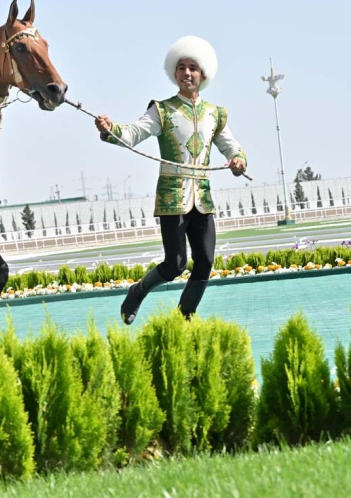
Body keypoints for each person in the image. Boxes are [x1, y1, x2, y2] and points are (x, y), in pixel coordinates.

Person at [94, 36, 247, 324]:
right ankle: (137, 292)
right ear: (174, 74)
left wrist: (238, 160)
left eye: (193, 68)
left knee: (205, 262)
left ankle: (184, 317)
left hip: (202, 200)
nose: (187, 73)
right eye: (181, 68)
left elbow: (232, 147)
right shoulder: (162, 110)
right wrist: (109, 128)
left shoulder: (216, 114)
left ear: (203, 75)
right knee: (176, 264)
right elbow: (133, 134)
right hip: (171, 199)